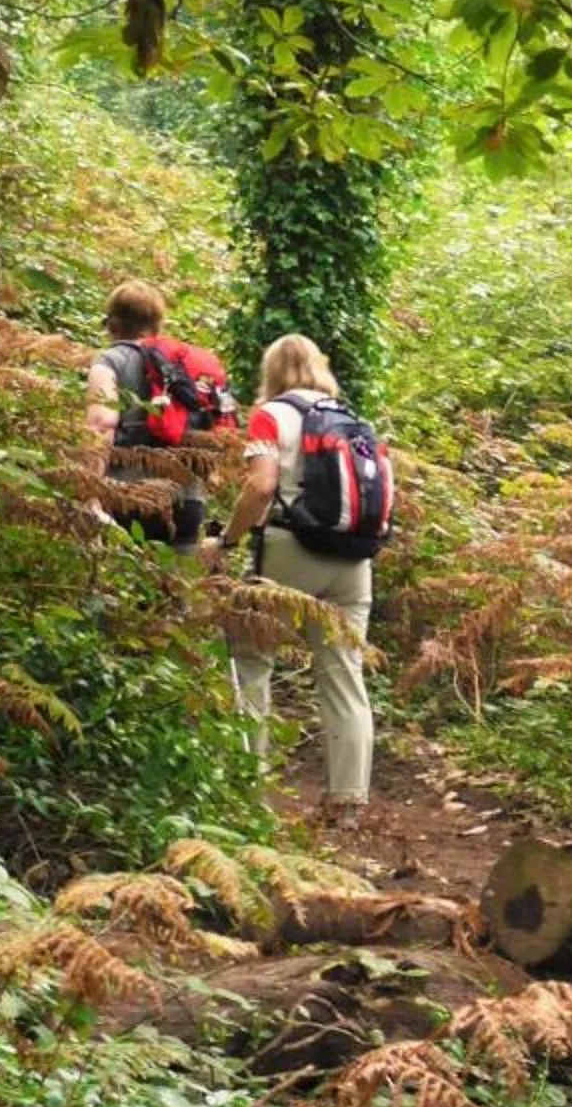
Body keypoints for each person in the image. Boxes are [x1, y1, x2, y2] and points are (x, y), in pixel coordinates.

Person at [209, 334, 375, 825]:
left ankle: (249, 793)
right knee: (344, 674)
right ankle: (347, 805)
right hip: (353, 556)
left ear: (272, 372)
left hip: (288, 550)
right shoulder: (350, 417)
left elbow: (261, 486)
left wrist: (228, 542)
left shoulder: (272, 415)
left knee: (251, 662)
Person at [85, 280, 208, 549]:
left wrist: (91, 495)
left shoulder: (110, 361)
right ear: (158, 324)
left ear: (112, 323)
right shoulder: (181, 364)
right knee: (178, 588)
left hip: (127, 496)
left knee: (118, 587)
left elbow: (102, 424)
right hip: (187, 501)